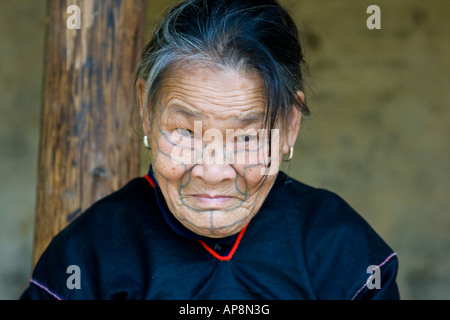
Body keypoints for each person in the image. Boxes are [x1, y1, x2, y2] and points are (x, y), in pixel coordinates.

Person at [20, 0, 399, 300]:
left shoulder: (339, 251)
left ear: (289, 127)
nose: (212, 172)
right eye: (185, 132)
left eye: (246, 138)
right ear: (146, 109)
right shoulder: (88, 256)